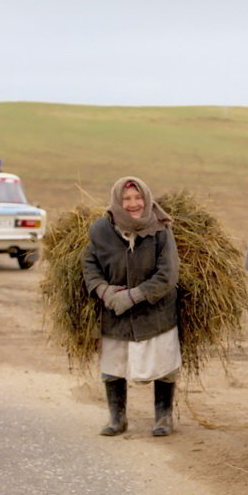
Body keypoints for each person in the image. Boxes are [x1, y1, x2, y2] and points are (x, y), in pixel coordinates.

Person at [82, 176, 181, 437]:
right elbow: (89, 266)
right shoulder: (101, 229)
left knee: (163, 364)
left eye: (138, 197)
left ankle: (163, 417)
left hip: (155, 312)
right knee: (114, 365)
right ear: (117, 200)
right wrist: (104, 292)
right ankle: (117, 419)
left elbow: (168, 274)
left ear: (146, 199)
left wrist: (136, 295)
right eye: (126, 199)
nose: (133, 203)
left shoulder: (160, 229)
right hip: (114, 313)